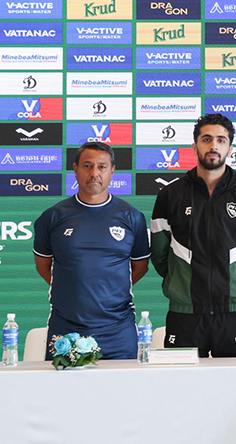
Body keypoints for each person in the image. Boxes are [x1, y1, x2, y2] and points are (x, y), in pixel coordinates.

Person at [150, 113, 236, 357]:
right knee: (183, 390)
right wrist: (180, 281)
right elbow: (159, 256)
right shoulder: (170, 195)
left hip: (235, 314)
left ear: (230, 147)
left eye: (221, 140)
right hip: (185, 314)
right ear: (195, 146)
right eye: (206, 139)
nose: (214, 145)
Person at [33, 142, 150, 359]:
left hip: (118, 331)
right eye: (87, 166)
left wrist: (107, 288)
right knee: (63, 393)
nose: (94, 173)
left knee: (123, 392)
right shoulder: (52, 217)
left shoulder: (132, 217)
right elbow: (44, 266)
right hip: (66, 330)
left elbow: (140, 267)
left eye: (102, 167)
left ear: (112, 171)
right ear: (75, 169)